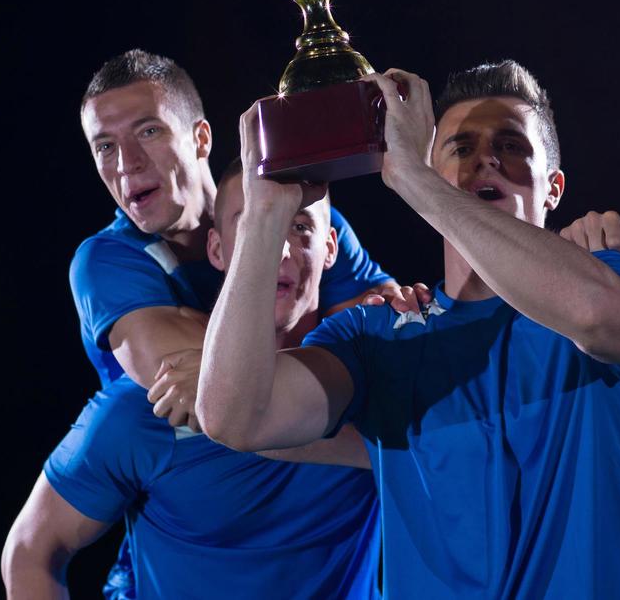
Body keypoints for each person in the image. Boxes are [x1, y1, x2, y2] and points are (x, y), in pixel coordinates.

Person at [190, 60, 620, 598]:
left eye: (511, 146)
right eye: (460, 148)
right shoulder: (375, 335)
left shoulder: (612, 276)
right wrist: (263, 216)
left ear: (553, 187)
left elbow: (603, 319)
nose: (485, 159)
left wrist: (413, 176)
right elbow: (234, 418)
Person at [68, 49, 414, 596]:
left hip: (318, 502)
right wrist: (329, 362)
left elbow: (387, 330)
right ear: (213, 249)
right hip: (194, 508)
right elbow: (225, 398)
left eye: (148, 131)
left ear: (202, 139)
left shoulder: (302, 218)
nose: (125, 163)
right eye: (104, 146)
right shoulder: (108, 261)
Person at [1, 158, 381, 599]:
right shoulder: (147, 409)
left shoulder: (379, 385)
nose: (279, 249)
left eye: (299, 228)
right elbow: (30, 552)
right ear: (217, 251)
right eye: (257, 225)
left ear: (331, 248)